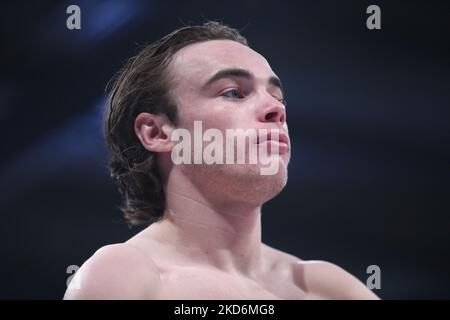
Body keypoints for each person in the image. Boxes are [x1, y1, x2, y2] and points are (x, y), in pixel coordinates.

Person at [63, 21, 379, 300]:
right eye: (233, 93)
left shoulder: (326, 287)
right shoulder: (123, 276)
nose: (276, 110)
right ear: (157, 132)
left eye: (277, 96)